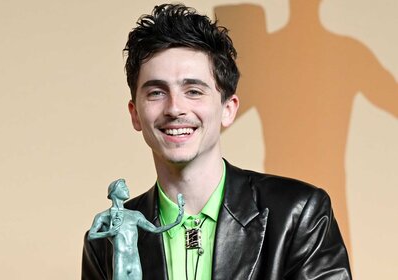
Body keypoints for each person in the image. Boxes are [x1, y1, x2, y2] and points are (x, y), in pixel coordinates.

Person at [82, 3, 352, 280]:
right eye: (156, 93)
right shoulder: (104, 242)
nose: (175, 108)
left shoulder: (299, 213)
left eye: (194, 91)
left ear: (228, 109)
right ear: (135, 114)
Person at [87, 179, 184, 280]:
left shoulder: (135, 215)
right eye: (123, 188)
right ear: (113, 192)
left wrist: (176, 221)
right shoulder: (103, 216)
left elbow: (155, 229)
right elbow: (91, 235)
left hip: (135, 262)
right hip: (120, 262)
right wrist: (108, 233)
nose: (127, 190)